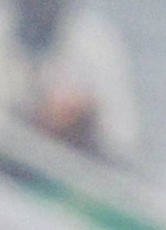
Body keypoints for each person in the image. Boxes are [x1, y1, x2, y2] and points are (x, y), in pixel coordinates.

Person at [0, 0, 138, 164]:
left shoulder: (96, 43)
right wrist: (34, 122)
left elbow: (121, 141)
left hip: (67, 169)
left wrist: (85, 120)